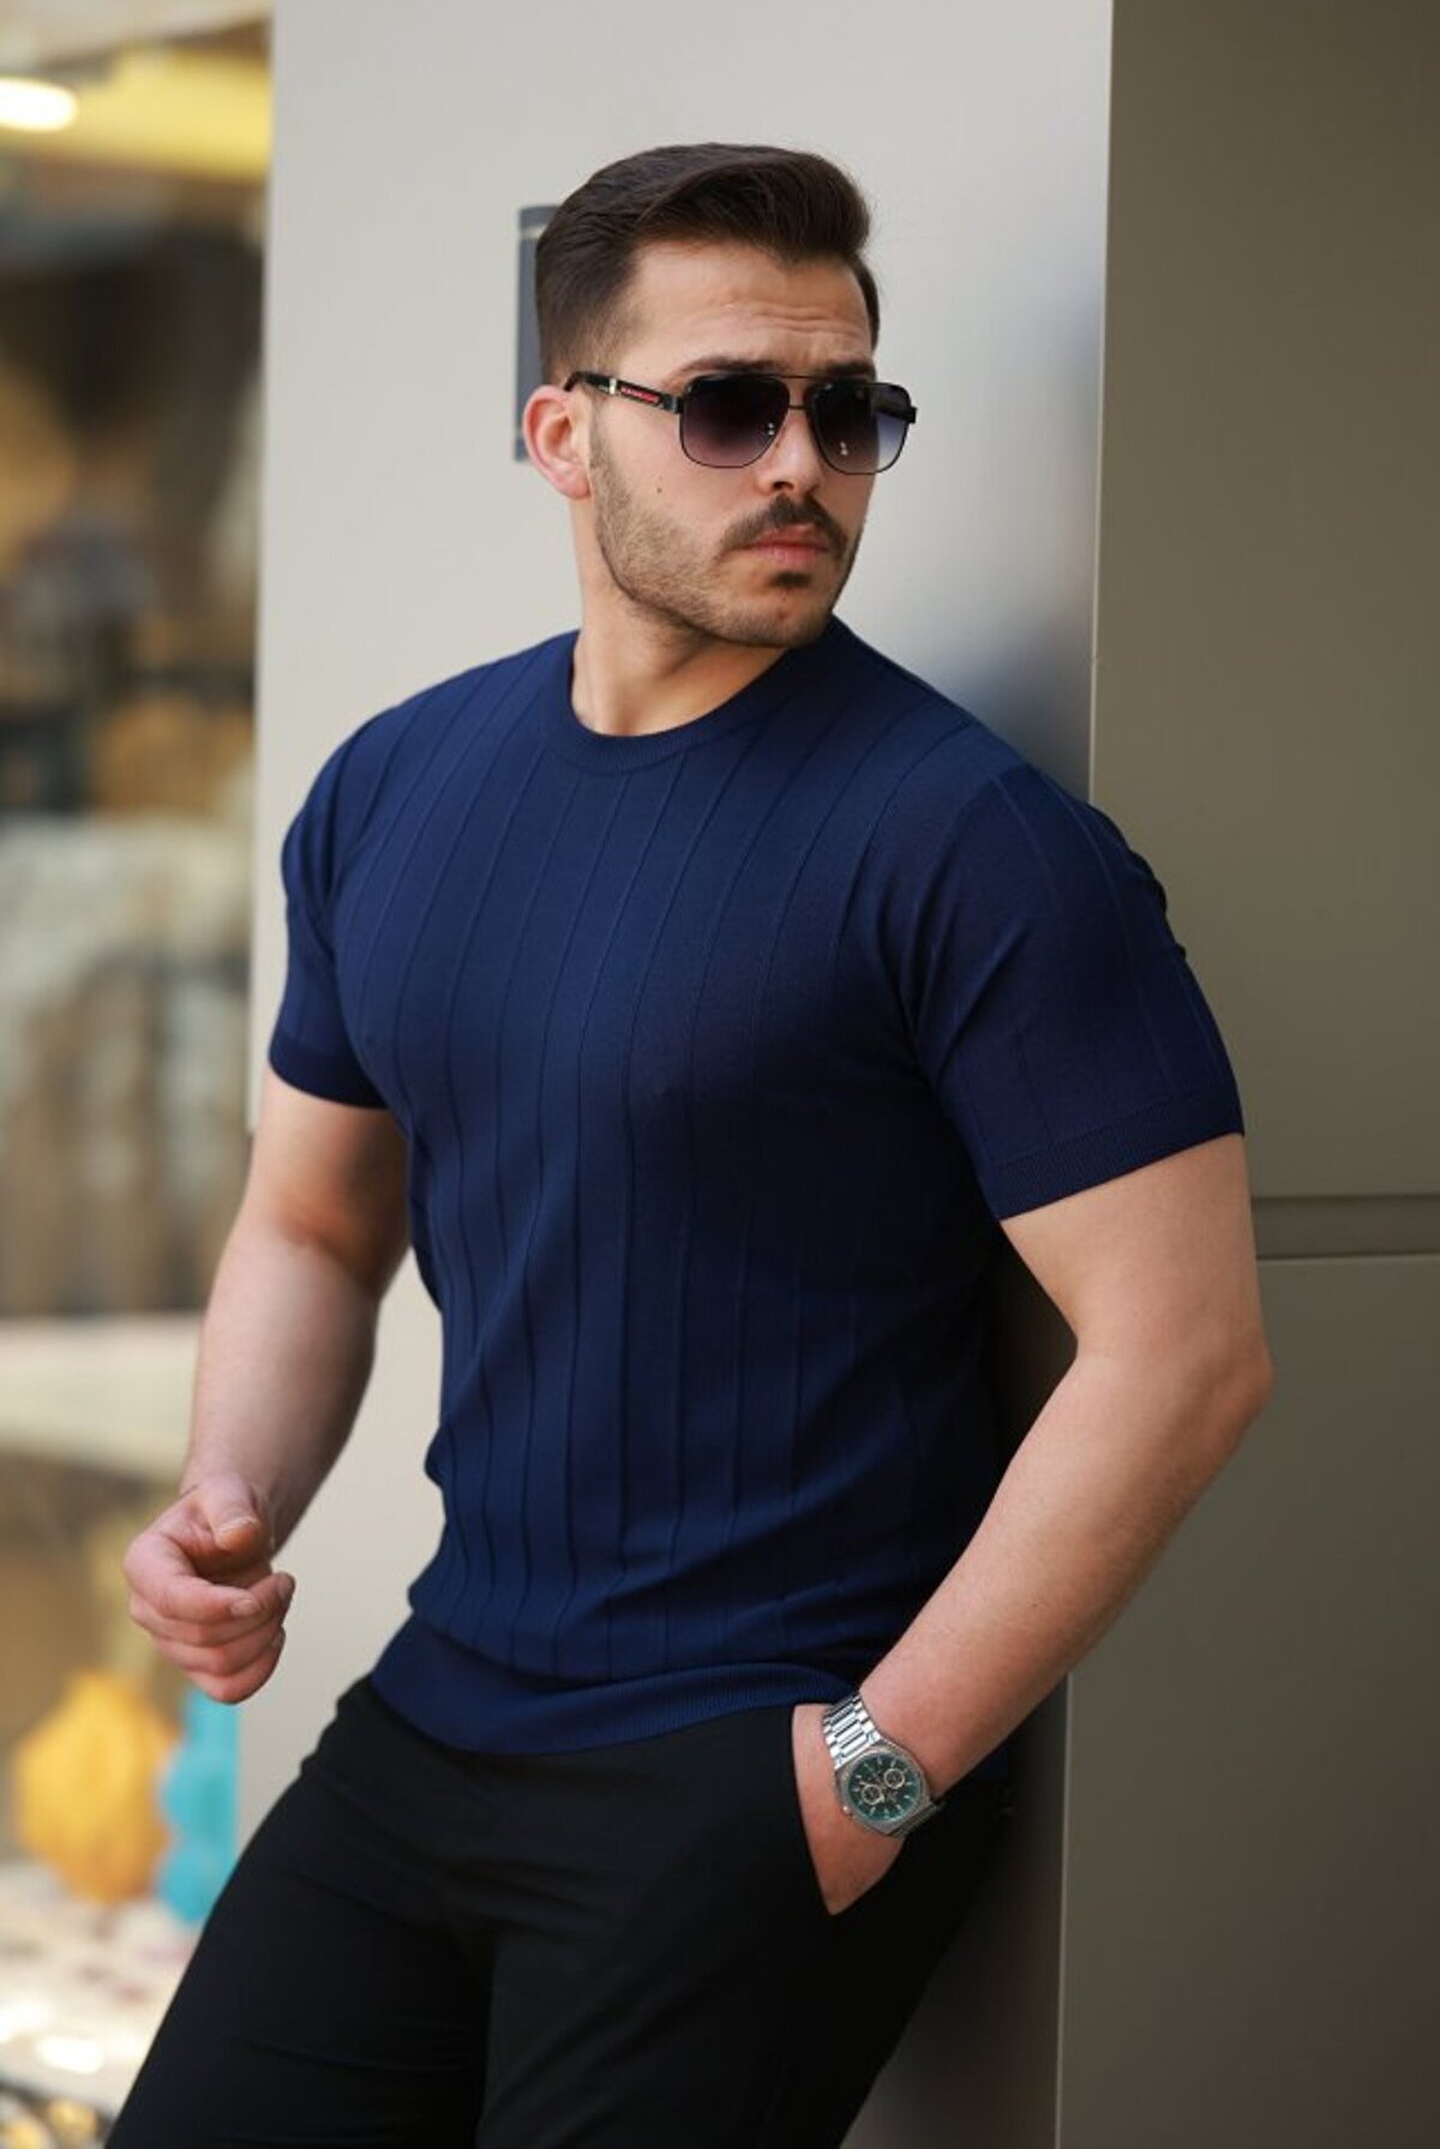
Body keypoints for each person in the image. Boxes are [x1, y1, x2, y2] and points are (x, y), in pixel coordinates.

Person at [110, 141, 1273, 2147]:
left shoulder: (977, 847)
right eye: (730, 406)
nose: (803, 464)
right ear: (564, 435)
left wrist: (874, 1778)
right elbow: (310, 1223)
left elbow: (1185, 1357)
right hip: (436, 1714)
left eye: (850, 410)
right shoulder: (395, 788)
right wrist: (232, 1495)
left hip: (746, 1776)